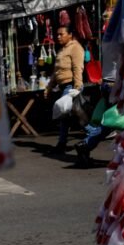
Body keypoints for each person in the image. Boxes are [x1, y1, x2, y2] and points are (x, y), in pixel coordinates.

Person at [44, 24, 85, 153]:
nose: (58, 37)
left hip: (71, 85)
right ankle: (64, 143)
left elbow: (78, 67)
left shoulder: (75, 48)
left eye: (61, 34)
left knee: (65, 114)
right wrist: (49, 87)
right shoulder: (62, 50)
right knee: (70, 116)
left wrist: (77, 87)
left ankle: (63, 143)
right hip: (63, 86)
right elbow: (56, 72)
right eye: (57, 34)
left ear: (70, 35)